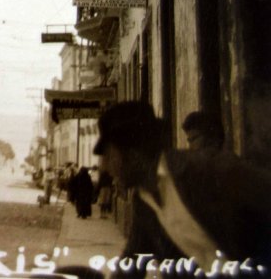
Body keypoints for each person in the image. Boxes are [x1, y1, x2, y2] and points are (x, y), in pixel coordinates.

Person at [94, 101, 271, 276]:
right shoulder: (144, 201)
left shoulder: (205, 168)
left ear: (133, 155)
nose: (104, 167)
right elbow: (131, 264)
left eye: (109, 156)